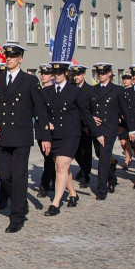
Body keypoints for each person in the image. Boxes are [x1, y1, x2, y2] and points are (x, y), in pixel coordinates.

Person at [0, 44, 50, 233]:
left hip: (21, 136)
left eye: (13, 56)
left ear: (20, 59)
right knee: (4, 175)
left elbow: (40, 110)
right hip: (3, 136)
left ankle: (16, 216)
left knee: (19, 176)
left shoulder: (29, 81)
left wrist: (46, 136)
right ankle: (20, 200)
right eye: (7, 56)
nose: (8, 59)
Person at [41, 62, 101, 216]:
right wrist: (47, 123)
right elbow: (42, 112)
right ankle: (73, 194)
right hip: (55, 136)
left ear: (66, 73)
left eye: (60, 72)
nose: (57, 75)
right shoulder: (47, 91)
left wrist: (97, 133)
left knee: (61, 166)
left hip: (71, 134)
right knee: (62, 168)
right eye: (55, 72)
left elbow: (85, 113)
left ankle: (55, 203)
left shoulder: (74, 91)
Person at [88, 63, 127, 201]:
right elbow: (87, 109)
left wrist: (127, 127)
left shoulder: (117, 90)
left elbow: (124, 110)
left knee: (104, 158)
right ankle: (112, 176)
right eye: (99, 73)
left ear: (110, 73)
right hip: (96, 128)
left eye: (103, 73)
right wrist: (91, 118)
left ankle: (101, 189)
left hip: (110, 128)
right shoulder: (92, 90)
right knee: (100, 154)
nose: (100, 75)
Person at [70, 65, 95, 187]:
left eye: (78, 75)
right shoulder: (71, 88)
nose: (76, 77)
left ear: (84, 75)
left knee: (86, 151)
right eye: (74, 75)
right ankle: (82, 168)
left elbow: (91, 109)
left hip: (85, 126)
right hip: (73, 125)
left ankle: (86, 175)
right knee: (75, 151)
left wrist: (88, 124)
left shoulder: (90, 90)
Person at [36, 63, 55, 197]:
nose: (43, 76)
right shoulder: (38, 92)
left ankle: (44, 184)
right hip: (40, 129)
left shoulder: (55, 91)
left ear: (52, 76)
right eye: (42, 74)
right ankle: (53, 180)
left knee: (50, 157)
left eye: (46, 74)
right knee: (47, 156)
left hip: (53, 130)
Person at [117, 70, 135, 169]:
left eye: (128, 79)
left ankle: (127, 161)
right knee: (122, 142)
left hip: (130, 120)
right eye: (124, 79)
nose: (126, 81)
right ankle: (129, 153)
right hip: (122, 121)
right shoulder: (120, 91)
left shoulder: (133, 91)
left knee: (128, 141)